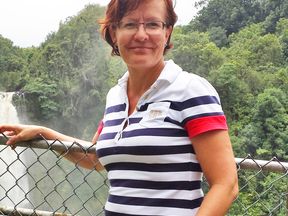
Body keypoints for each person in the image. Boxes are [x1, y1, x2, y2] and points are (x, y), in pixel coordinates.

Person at [0, 0, 238, 215]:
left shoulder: (192, 90)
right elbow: (95, 158)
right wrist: (45, 133)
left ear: (167, 32)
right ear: (114, 33)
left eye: (153, 24)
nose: (141, 34)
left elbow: (226, 185)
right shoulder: (115, 96)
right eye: (130, 24)